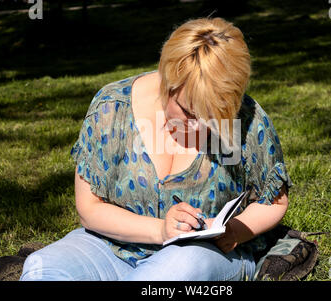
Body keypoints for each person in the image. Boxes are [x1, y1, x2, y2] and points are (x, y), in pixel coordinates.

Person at [20, 17, 292, 281]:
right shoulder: (112, 108)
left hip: (201, 255)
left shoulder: (245, 118)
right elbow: (90, 208)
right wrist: (161, 230)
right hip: (113, 247)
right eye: (187, 112)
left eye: (212, 117)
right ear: (166, 81)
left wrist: (233, 231)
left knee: (172, 272)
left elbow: (274, 202)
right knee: (43, 267)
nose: (198, 127)